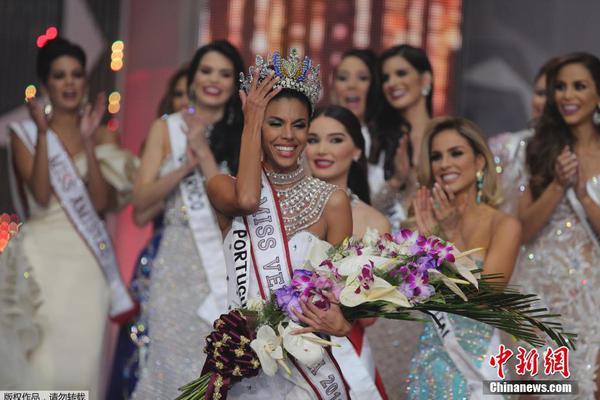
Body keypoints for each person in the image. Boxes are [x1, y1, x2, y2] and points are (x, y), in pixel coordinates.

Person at [207, 49, 353, 399]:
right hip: (245, 371)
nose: (288, 135)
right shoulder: (221, 187)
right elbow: (248, 200)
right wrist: (251, 122)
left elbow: (344, 295)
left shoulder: (332, 202)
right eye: (274, 123)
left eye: (299, 125)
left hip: (307, 374)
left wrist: (343, 323)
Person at [8, 37, 136, 398]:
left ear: (85, 81)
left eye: (76, 75)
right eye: (59, 75)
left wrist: (89, 144)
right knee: (40, 365)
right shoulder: (25, 134)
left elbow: (102, 203)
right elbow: (41, 195)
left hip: (86, 262)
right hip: (40, 258)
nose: (69, 83)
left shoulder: (103, 134)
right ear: (46, 83)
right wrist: (44, 133)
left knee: (81, 363)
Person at [129, 40, 244, 399]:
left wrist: (204, 152)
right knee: (167, 363)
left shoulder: (244, 135)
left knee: (217, 367)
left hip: (225, 264)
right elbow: (140, 202)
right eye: (206, 71)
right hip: (175, 267)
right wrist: (183, 168)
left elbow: (238, 205)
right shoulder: (167, 129)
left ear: (235, 83)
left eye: (224, 74)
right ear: (192, 78)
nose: (214, 80)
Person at [406, 117, 522, 399]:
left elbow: (488, 295)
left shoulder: (503, 225)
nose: (444, 164)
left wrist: (449, 238)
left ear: (479, 161)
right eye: (436, 156)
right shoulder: (422, 220)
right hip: (430, 358)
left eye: (456, 153)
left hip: (478, 362)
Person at [516, 52, 600, 397]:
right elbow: (522, 231)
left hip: (591, 295)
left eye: (579, 86)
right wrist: (556, 186)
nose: (568, 95)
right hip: (540, 290)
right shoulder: (538, 148)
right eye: (560, 87)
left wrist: (583, 197)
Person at [107, 64, 190, 399]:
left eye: (191, 94)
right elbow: (140, 214)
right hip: (162, 256)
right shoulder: (160, 141)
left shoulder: (221, 142)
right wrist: (180, 177)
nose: (185, 102)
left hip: (208, 261)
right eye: (179, 94)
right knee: (146, 349)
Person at [306, 104, 389, 399]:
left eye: (336, 140)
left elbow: (369, 316)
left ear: (356, 151)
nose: (322, 150)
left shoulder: (374, 221)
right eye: (313, 139)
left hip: (344, 348)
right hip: (283, 344)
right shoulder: (283, 211)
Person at [370, 45, 434, 231]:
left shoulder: (446, 135)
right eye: (386, 78)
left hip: (440, 240)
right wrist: (396, 180)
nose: (392, 83)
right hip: (385, 240)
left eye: (401, 73)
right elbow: (364, 208)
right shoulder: (376, 139)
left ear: (425, 79)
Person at [489, 57, 559, 215]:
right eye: (540, 93)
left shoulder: (583, 151)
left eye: (551, 95)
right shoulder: (505, 147)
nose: (544, 103)